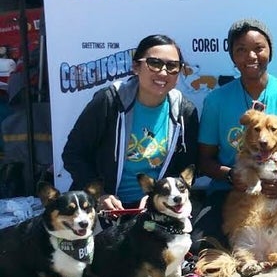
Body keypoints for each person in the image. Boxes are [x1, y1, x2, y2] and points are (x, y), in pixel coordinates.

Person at [192, 18, 277, 261]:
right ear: (233, 57)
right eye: (241, 50)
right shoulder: (216, 100)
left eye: (259, 48)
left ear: (270, 51)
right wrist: (230, 175)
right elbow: (204, 160)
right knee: (198, 246)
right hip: (230, 192)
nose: (251, 56)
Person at [63, 34, 199, 217]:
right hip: (103, 207)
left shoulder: (185, 111)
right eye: (154, 63)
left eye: (172, 66)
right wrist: (100, 195)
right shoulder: (110, 101)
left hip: (157, 207)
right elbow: (73, 154)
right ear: (136, 67)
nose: (163, 72)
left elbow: (188, 167)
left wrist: (157, 196)